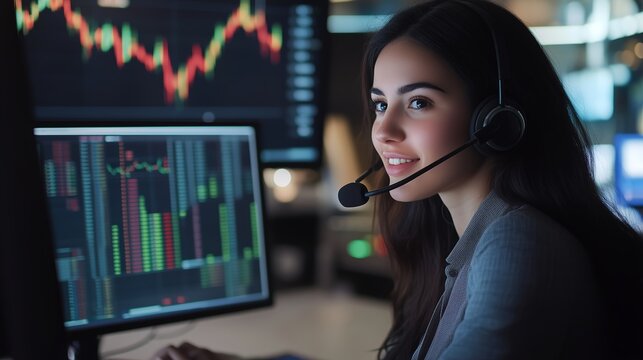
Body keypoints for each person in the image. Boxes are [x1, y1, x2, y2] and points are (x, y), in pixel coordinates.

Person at [153, 0, 643, 359]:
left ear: (497, 119)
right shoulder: (477, 236)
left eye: (419, 102)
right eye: (381, 103)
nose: (383, 131)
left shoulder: (517, 241)